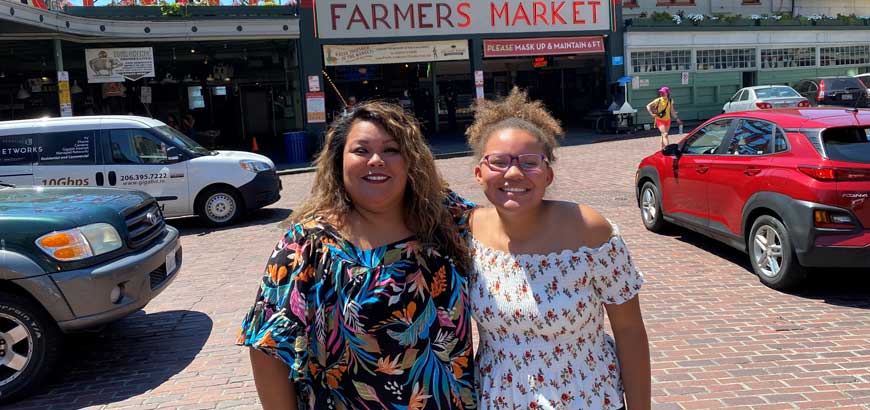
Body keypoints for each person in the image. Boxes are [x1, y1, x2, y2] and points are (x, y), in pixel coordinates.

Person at [237, 101, 477, 410]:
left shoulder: (447, 220)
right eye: (361, 151)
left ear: (412, 161)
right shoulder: (307, 245)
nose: (376, 160)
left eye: (391, 150)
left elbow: (515, 229)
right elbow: (267, 346)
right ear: (338, 161)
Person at [465, 88, 651, 410]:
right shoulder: (466, 233)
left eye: (529, 162)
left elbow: (630, 330)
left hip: (589, 398)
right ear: (479, 173)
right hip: (499, 400)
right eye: (498, 161)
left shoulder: (589, 231)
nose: (513, 173)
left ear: (548, 174)